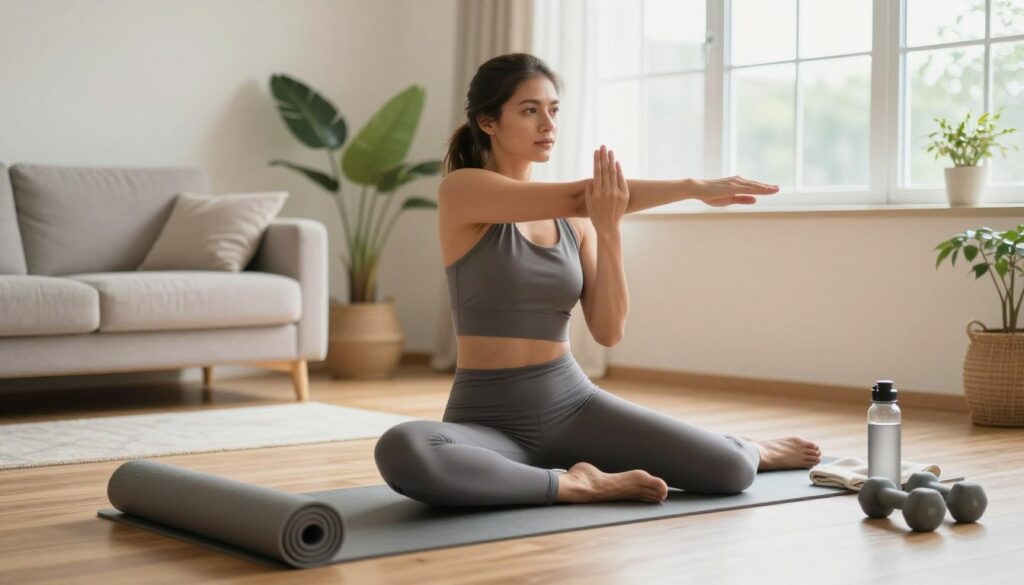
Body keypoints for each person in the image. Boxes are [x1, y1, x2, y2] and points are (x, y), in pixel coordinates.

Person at [373, 53, 821, 508]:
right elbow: (579, 196)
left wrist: (608, 230)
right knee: (404, 448)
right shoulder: (463, 190)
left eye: (553, 109)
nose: (548, 123)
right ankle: (578, 484)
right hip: (485, 421)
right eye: (530, 110)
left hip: (572, 407)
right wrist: (692, 187)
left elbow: (608, 332)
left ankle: (750, 447)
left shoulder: (578, 222)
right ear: (488, 122)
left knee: (732, 470)